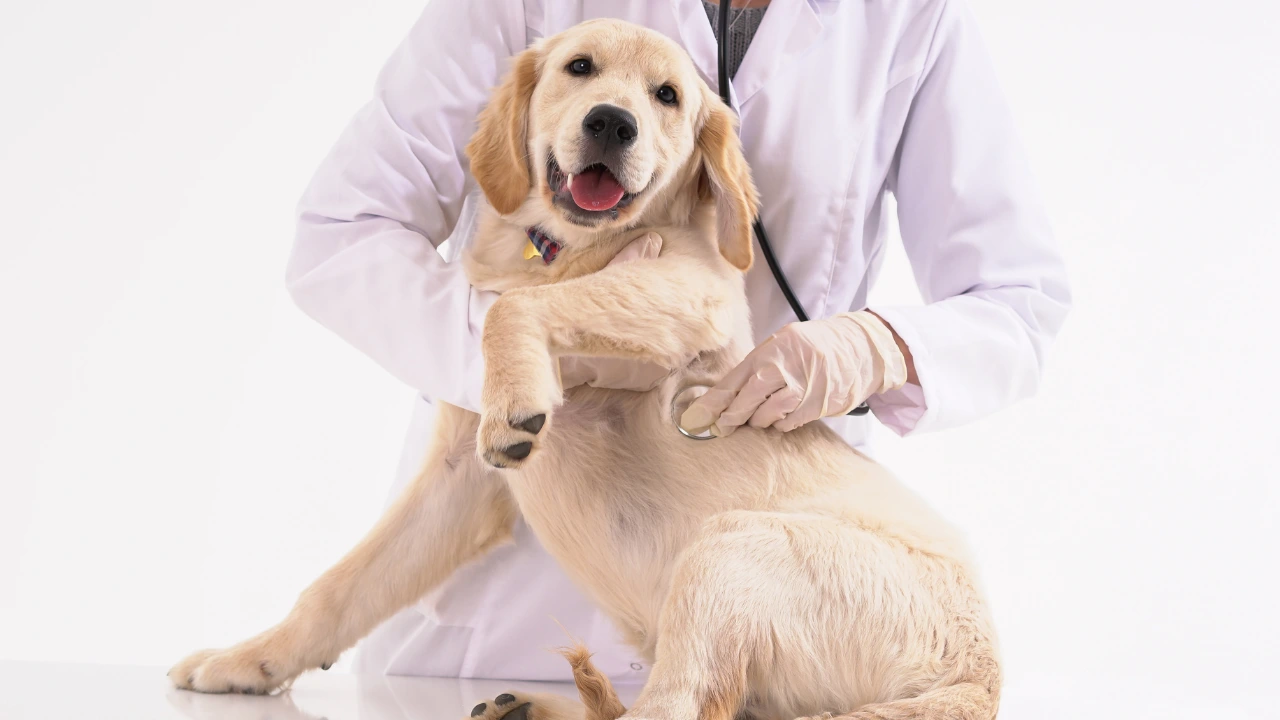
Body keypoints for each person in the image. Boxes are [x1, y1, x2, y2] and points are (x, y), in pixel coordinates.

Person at [284, 0, 1071, 682]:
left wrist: (871, 348)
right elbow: (341, 234)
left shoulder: (911, 18)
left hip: (770, 607)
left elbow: (1017, 301)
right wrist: (535, 357)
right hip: (500, 630)